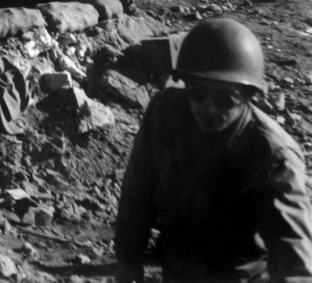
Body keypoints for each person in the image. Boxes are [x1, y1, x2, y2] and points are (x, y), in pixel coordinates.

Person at [114, 18, 312, 283]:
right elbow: (137, 193)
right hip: (178, 269)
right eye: (197, 93)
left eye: (225, 99)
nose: (208, 108)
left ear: (248, 96)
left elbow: (294, 259)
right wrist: (128, 261)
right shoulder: (165, 114)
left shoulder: (273, 155)